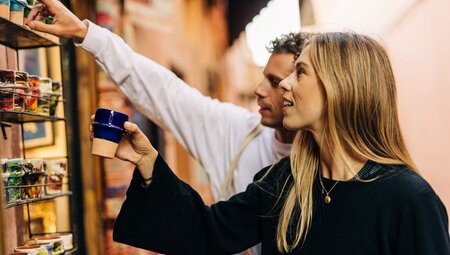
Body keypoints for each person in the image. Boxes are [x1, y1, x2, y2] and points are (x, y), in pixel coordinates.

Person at [97, 32, 448, 254]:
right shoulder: (284, 181)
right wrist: (148, 165)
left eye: (301, 72)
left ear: (340, 87)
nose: (284, 85)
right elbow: (204, 233)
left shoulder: (409, 200)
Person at [25, 0, 309, 202]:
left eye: (275, 82)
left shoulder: (339, 161)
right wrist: (84, 33)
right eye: (264, 78)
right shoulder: (239, 133)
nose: (259, 90)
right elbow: (164, 90)